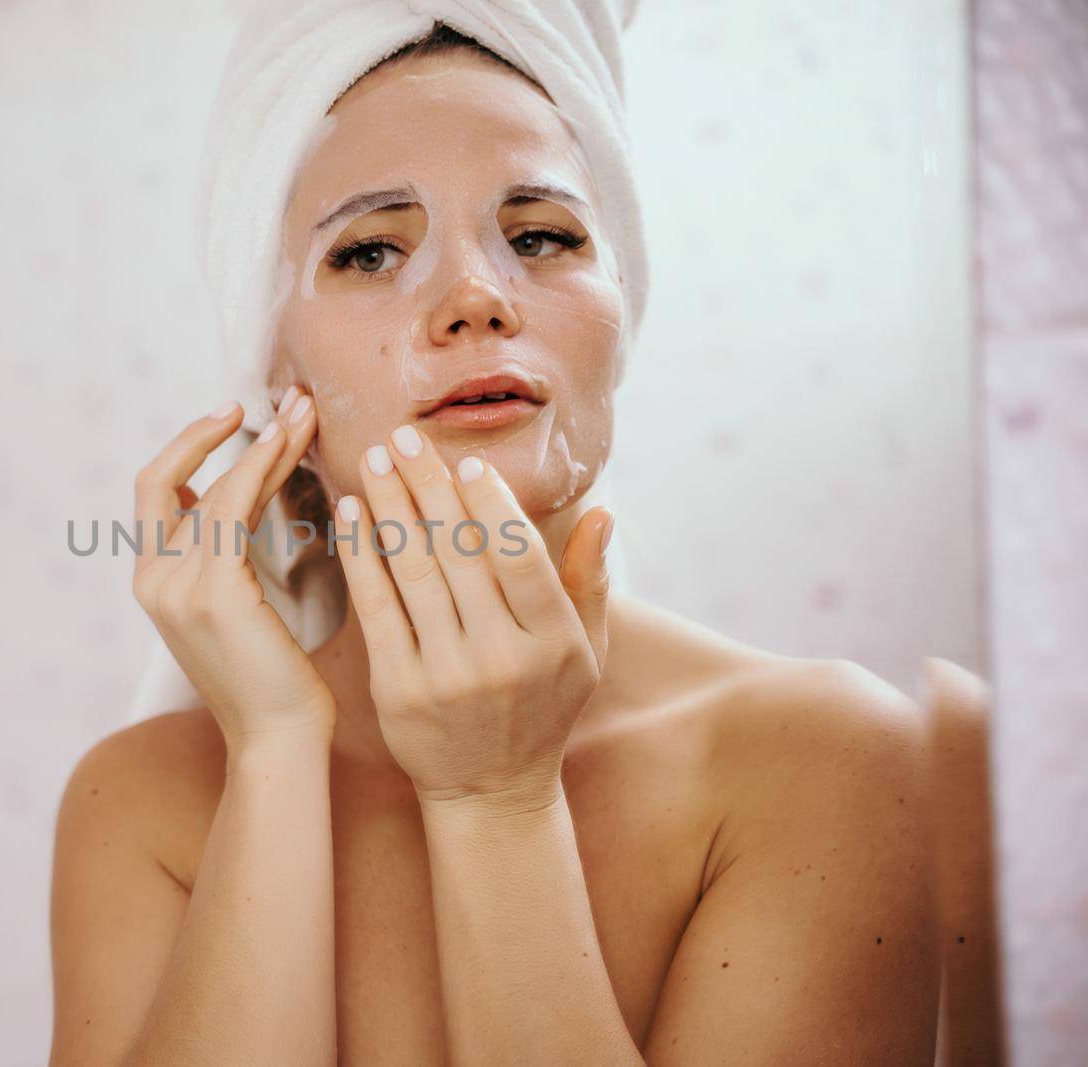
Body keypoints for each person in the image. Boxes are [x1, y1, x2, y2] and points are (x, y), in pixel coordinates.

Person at [50, 18, 942, 1065]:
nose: (473, 296)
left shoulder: (832, 759)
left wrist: (497, 802)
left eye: (540, 235)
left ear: (624, 308)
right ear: (272, 373)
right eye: (371, 249)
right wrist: (275, 750)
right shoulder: (144, 803)